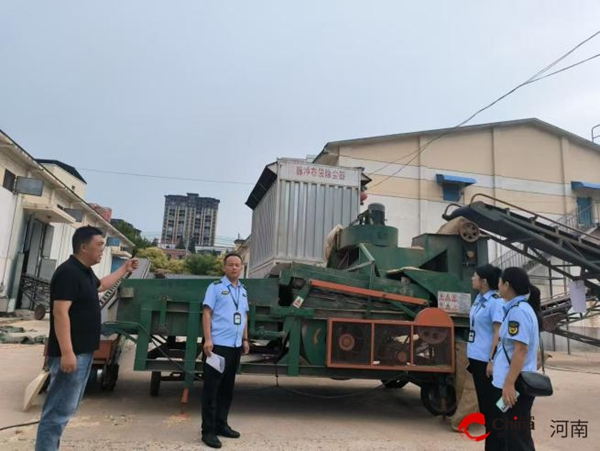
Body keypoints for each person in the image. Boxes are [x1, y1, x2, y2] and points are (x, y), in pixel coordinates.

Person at [35, 226, 138, 451]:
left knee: (64, 410)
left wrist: (124, 269)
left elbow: (101, 285)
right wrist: (67, 352)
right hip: (72, 353)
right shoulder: (68, 273)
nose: (103, 250)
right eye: (99, 245)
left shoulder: (84, 272)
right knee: (57, 413)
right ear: (83, 247)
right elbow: (60, 312)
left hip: (83, 352)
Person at [201, 253, 250, 449]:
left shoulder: (243, 291)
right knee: (212, 389)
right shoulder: (215, 288)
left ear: (241, 268)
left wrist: (246, 339)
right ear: (224, 267)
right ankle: (208, 431)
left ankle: (222, 424)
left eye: (237, 265)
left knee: (227, 389)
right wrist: (208, 339)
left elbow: (244, 314)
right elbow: (206, 313)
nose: (234, 268)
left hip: (236, 346)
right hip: (218, 346)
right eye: (230, 265)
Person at [489, 267, 541, 451]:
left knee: (516, 438)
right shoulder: (518, 309)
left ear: (507, 285)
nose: (498, 285)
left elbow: (521, 350)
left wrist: (509, 383)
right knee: (516, 435)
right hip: (514, 380)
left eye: (500, 282)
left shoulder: (518, 312)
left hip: (516, 383)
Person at [466, 264, 504, 450]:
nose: (472, 278)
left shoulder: (495, 302)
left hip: (487, 362)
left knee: (493, 409)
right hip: (476, 359)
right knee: (486, 409)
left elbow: (498, 332)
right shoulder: (479, 299)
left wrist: (492, 360)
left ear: (484, 282)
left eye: (475, 276)